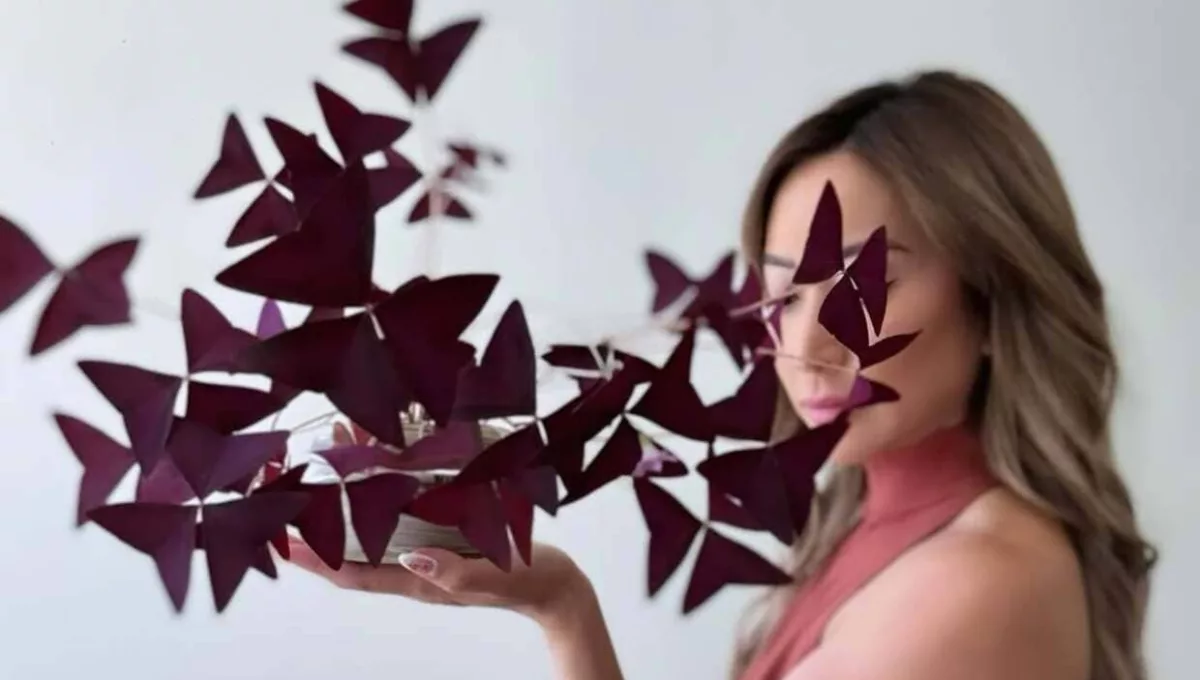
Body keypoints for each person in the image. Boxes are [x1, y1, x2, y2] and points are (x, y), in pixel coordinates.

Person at [287, 69, 1157, 680]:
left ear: (994, 296)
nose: (807, 344)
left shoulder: (976, 580)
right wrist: (559, 603)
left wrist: (562, 604)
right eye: (786, 293)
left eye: (863, 284)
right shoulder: (882, 532)